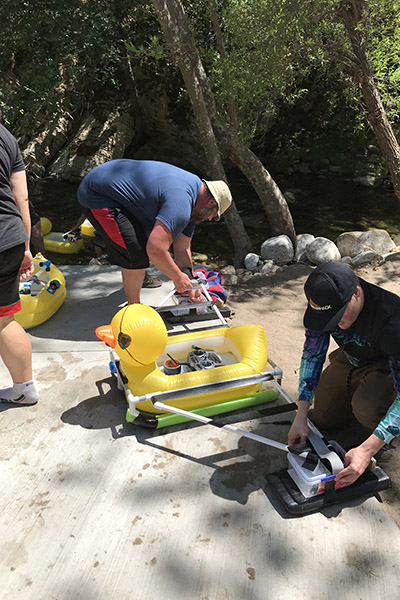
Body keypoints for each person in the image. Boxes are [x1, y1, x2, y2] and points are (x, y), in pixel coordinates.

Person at [288, 261, 400, 484]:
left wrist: (368, 450)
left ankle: (387, 435)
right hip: (350, 359)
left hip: (387, 367)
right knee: (323, 417)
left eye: (339, 314)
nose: (336, 324)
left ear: (356, 293)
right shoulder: (323, 304)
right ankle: (358, 398)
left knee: (367, 408)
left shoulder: (393, 321)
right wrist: (301, 414)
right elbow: (312, 355)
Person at [77, 159, 232, 304]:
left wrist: (190, 282)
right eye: (214, 214)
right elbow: (156, 249)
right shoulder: (181, 204)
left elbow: (182, 248)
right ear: (211, 202)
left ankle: (139, 276)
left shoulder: (194, 205)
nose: (211, 219)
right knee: (136, 251)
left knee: (150, 234)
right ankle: (134, 309)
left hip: (118, 188)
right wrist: (177, 277)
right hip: (97, 194)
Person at [0, 118, 39, 405]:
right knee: (4, 319)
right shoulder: (6, 136)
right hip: (10, 236)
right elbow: (21, 198)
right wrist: (25, 246)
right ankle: (24, 388)